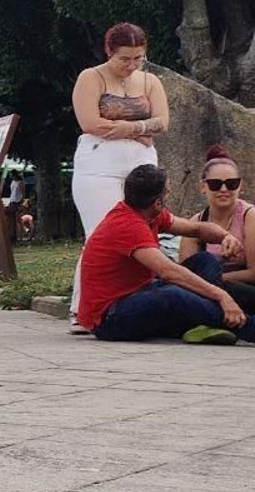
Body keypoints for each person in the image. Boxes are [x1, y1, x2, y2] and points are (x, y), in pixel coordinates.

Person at [79, 164, 252, 343]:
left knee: (204, 261)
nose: (170, 195)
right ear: (157, 202)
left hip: (141, 292)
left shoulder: (150, 213)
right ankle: (246, 326)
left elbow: (195, 229)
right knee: (172, 295)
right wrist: (222, 297)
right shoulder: (128, 225)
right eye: (167, 192)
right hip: (110, 318)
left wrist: (225, 236)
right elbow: (169, 271)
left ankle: (206, 323)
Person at [70, 23, 170, 328]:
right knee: (102, 233)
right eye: (124, 59)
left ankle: (133, 298)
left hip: (140, 163)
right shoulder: (92, 77)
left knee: (143, 231)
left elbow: (162, 121)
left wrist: (128, 128)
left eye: (137, 58)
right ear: (109, 53)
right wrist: (140, 127)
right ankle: (83, 307)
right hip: (100, 165)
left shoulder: (150, 81)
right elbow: (90, 122)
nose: (131, 66)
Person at [178, 145, 255, 314]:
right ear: (203, 187)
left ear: (240, 185)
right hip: (208, 290)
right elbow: (186, 271)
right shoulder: (196, 222)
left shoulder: (250, 217)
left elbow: (253, 273)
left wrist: (212, 281)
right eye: (215, 184)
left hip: (243, 289)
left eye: (231, 184)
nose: (223, 190)